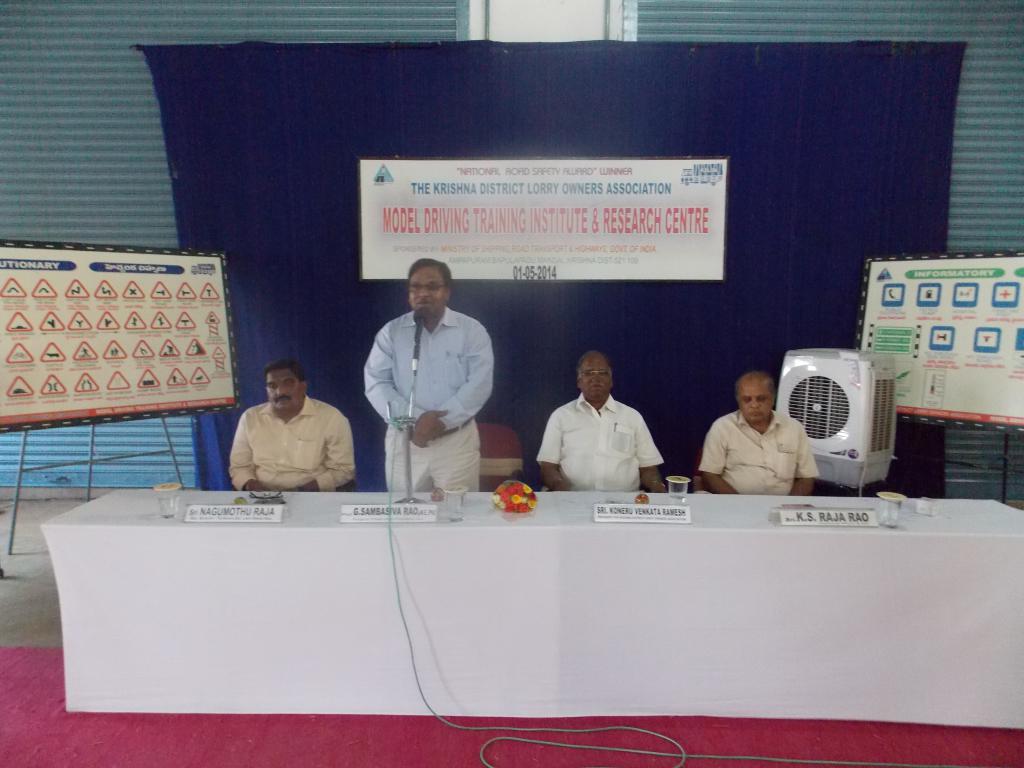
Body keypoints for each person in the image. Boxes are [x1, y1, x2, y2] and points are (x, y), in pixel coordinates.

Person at [364, 258, 494, 492]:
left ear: (447, 292)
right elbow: (376, 383)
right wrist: (415, 420)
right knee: (405, 512)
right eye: (415, 287)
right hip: (406, 441)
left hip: (456, 442)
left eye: (432, 287)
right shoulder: (391, 332)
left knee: (458, 510)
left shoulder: (471, 330)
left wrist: (442, 421)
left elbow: (479, 383)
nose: (423, 293)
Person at [537, 350, 666, 493]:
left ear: (611, 381)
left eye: (602, 373)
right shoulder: (561, 416)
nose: (596, 378)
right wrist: (560, 488)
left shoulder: (632, 417)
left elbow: (648, 468)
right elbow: (548, 466)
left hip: (624, 501)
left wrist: (658, 487)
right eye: (588, 373)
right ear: (579, 381)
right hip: (572, 499)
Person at [229, 358, 355, 492]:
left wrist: (299, 492)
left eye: (288, 383)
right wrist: (253, 486)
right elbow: (239, 467)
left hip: (312, 495)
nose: (280, 392)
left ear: (303, 386)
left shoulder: (331, 418)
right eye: (272, 386)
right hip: (261, 497)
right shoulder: (250, 418)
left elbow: (343, 469)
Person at [699, 370, 817, 495]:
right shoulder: (722, 427)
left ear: (773, 398)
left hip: (782, 503)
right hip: (734, 502)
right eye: (747, 399)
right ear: (738, 401)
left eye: (761, 399)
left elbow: (807, 477)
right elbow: (710, 474)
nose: (754, 405)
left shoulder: (794, 428)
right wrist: (738, 502)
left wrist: (790, 504)